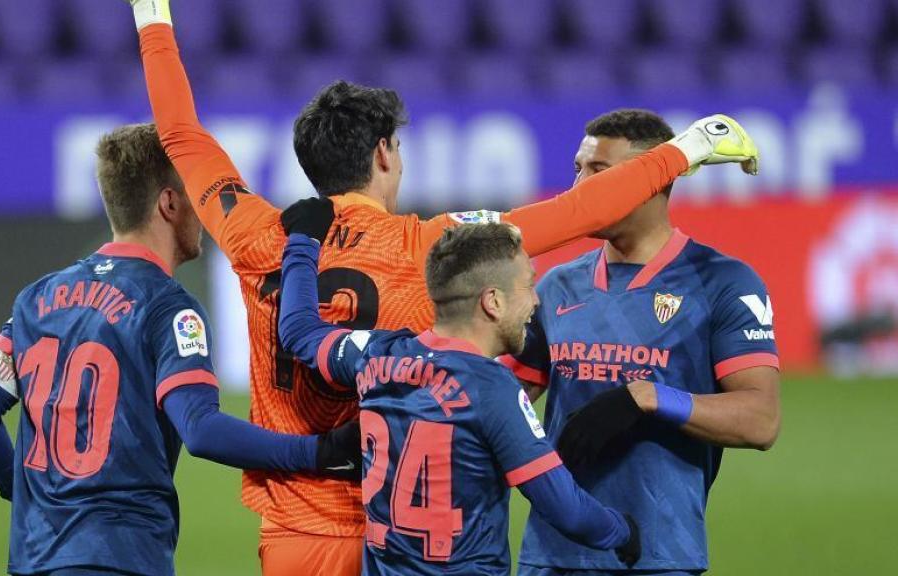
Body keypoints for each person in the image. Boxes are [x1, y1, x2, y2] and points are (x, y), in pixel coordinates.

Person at [124, 1, 758, 572]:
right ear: (382, 155)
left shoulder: (257, 235)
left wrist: (153, 19)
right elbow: (578, 213)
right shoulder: (431, 247)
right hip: (396, 532)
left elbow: (181, 135)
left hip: (291, 531)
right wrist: (685, 150)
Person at [0, 124, 358, 576]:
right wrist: (318, 453)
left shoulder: (35, 300)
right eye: (195, 195)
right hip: (121, 559)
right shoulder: (168, 307)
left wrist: (34, 500)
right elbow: (200, 430)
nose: (203, 210)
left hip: (35, 558)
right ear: (169, 202)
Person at [498, 109, 780, 576]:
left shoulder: (724, 283)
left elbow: (761, 420)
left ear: (656, 180)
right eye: (578, 169)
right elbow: (509, 398)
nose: (579, 188)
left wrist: (647, 398)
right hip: (550, 555)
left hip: (658, 554)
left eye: (600, 172)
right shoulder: (555, 286)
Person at [278, 219, 642, 575]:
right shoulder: (492, 388)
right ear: (493, 302)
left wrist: (303, 242)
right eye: (529, 286)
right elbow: (568, 510)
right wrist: (622, 530)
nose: (536, 301)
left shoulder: (376, 354)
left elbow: (298, 332)